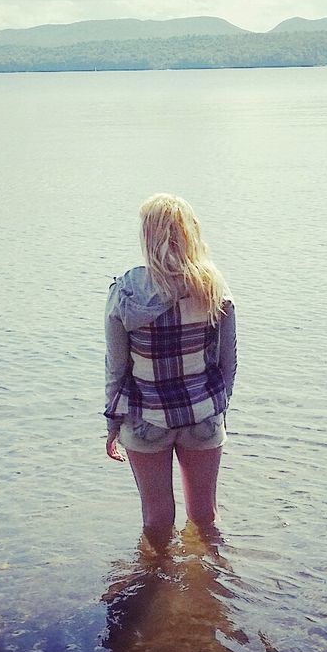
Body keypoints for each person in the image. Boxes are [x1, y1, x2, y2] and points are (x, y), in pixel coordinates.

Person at [104, 193, 237, 544]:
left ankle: (156, 591)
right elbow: (228, 361)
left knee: (157, 518)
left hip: (147, 418)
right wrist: (219, 408)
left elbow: (116, 369)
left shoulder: (127, 292)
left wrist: (111, 424)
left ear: (147, 236)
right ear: (191, 232)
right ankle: (209, 589)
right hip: (202, 414)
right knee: (205, 516)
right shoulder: (212, 286)